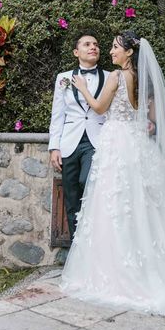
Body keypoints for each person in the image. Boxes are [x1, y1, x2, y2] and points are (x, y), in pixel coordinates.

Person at [60, 30, 165, 315]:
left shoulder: (117, 77)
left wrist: (82, 87)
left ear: (129, 52)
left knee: (115, 205)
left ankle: (119, 271)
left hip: (118, 145)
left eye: (116, 48)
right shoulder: (142, 81)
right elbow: (146, 116)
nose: (111, 52)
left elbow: (99, 107)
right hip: (138, 146)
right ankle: (152, 263)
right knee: (144, 205)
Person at [49, 31, 110, 242]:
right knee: (72, 197)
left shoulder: (111, 77)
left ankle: (98, 241)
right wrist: (54, 147)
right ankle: (78, 249)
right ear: (77, 52)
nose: (93, 47)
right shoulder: (63, 78)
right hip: (69, 142)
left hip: (97, 141)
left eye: (96, 44)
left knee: (88, 182)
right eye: (87, 44)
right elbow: (57, 115)